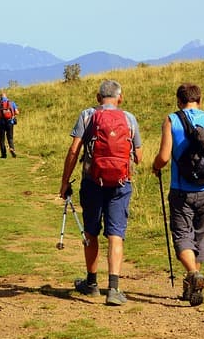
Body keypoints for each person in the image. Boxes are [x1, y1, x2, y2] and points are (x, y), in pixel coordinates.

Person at [59, 80, 143, 306]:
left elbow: (74, 150)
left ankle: (92, 283)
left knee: (91, 231)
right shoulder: (129, 118)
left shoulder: (87, 115)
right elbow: (138, 157)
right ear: (120, 98)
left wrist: (65, 181)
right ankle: (113, 289)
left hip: (92, 182)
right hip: (121, 184)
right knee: (116, 234)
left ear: (98, 97)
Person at [151, 83, 204, 306]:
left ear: (179, 101)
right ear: (200, 100)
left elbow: (164, 157)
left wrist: (155, 167)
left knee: (182, 236)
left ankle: (193, 274)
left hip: (181, 191)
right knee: (199, 237)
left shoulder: (172, 120)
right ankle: (191, 288)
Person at [0, 91, 19, 158]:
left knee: (2, 139)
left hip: (1, 122)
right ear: (6, 96)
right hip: (10, 122)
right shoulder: (12, 103)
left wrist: (2, 113)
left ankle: (3, 154)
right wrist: (12, 114)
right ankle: (12, 148)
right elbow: (17, 112)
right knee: (10, 137)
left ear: (1, 97)